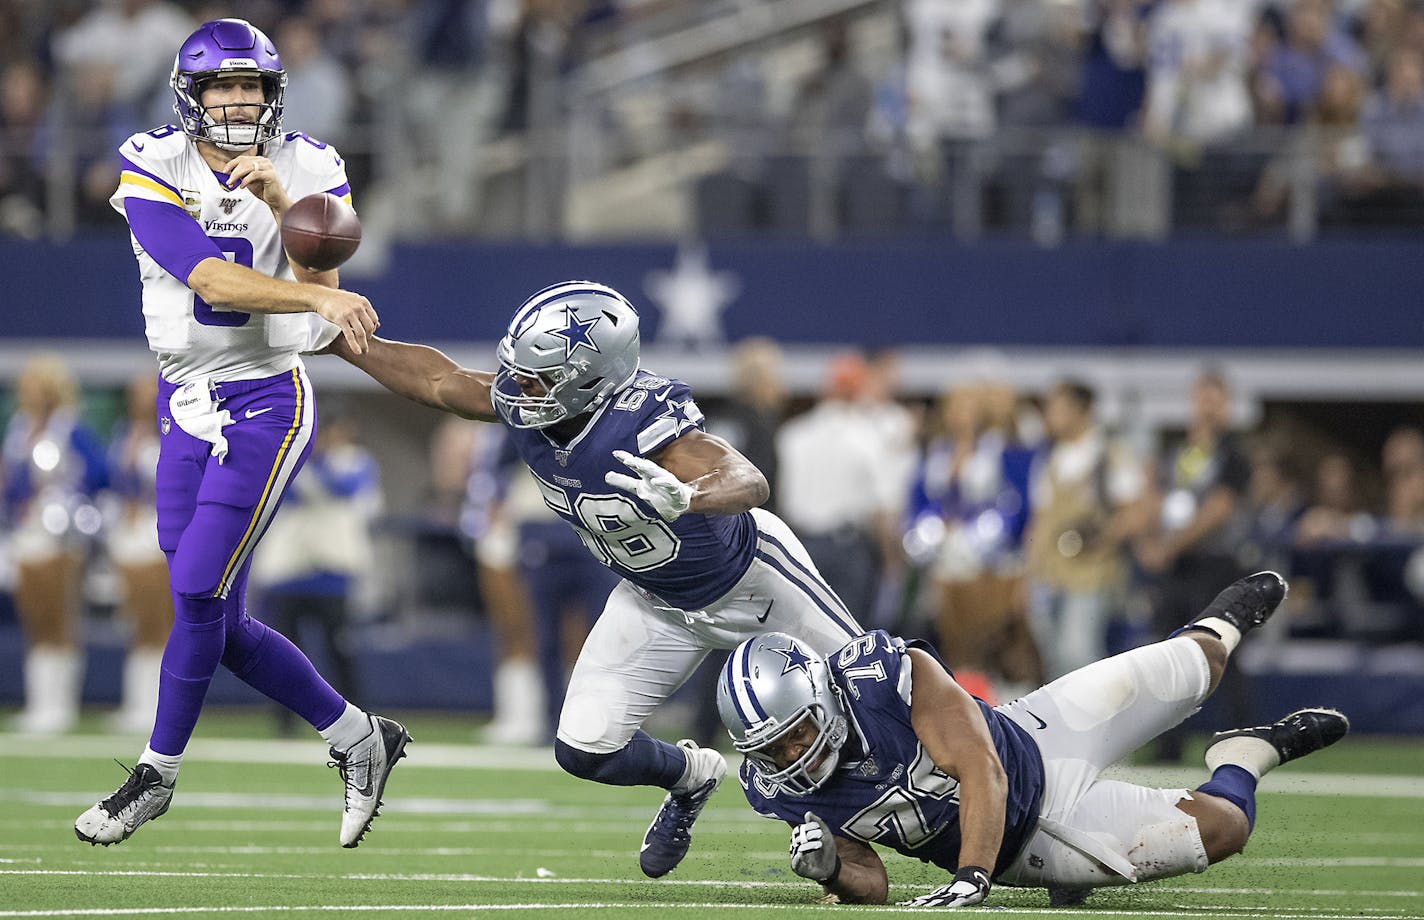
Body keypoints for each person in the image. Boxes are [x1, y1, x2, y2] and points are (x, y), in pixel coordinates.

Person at [330, 280, 864, 878]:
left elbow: (747, 478)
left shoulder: (643, 417)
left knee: (880, 697)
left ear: (590, 377)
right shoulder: (529, 406)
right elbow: (438, 380)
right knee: (585, 746)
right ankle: (691, 776)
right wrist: (341, 338)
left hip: (753, 582)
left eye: (538, 378)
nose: (518, 389)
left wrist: (689, 495)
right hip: (657, 602)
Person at [74, 18, 405, 849]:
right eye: (222, 87)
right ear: (192, 95)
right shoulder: (152, 159)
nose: (238, 101)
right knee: (213, 616)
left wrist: (285, 207)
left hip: (265, 399)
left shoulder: (312, 164)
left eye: (251, 87)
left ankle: (156, 773)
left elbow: (321, 278)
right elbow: (207, 274)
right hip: (183, 396)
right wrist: (317, 300)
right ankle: (358, 736)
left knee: (194, 593)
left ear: (273, 94)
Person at [717, 572, 1349, 907]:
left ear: (821, 697)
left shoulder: (884, 677)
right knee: (1228, 827)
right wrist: (831, 869)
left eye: (795, 735)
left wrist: (970, 876)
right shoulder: (775, 788)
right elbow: (871, 881)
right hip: (1030, 842)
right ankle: (1245, 754)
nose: (789, 757)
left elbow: (982, 769)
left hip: (1033, 736)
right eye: (770, 748)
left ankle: (1221, 620)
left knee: (1196, 666)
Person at [3, 353, 110, 734]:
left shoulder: (71, 428)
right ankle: (40, 704)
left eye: (36, 386)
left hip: (62, 531)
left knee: (59, 616)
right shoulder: (18, 428)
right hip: (26, 529)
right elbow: (14, 481)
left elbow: (100, 473)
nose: (29, 393)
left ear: (51, 390)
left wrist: (66, 492)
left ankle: (61, 706)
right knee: (34, 619)